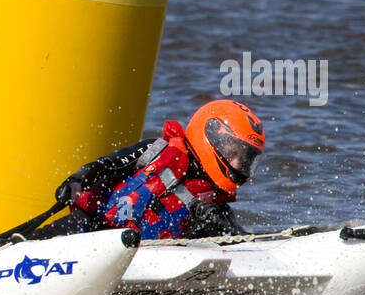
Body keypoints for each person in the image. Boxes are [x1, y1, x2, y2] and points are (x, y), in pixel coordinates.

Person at [49, 99, 266, 240]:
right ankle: (20, 249)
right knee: (74, 224)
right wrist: (78, 179)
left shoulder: (215, 202)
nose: (238, 165)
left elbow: (237, 239)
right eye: (232, 153)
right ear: (210, 136)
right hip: (95, 228)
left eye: (246, 159)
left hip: (144, 255)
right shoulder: (156, 150)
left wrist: (221, 228)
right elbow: (108, 164)